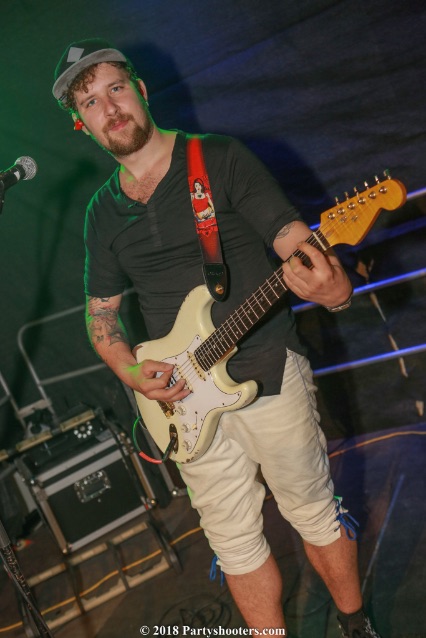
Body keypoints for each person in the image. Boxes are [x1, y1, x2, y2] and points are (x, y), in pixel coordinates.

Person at [52, 38, 382, 638]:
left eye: (116, 89)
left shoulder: (219, 158)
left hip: (268, 370)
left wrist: (331, 286)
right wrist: (131, 371)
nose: (110, 108)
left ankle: (355, 624)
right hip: (181, 400)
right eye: (91, 102)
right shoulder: (101, 213)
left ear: (141, 91)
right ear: (83, 125)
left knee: (312, 512)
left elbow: (293, 242)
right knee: (233, 543)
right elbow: (101, 317)